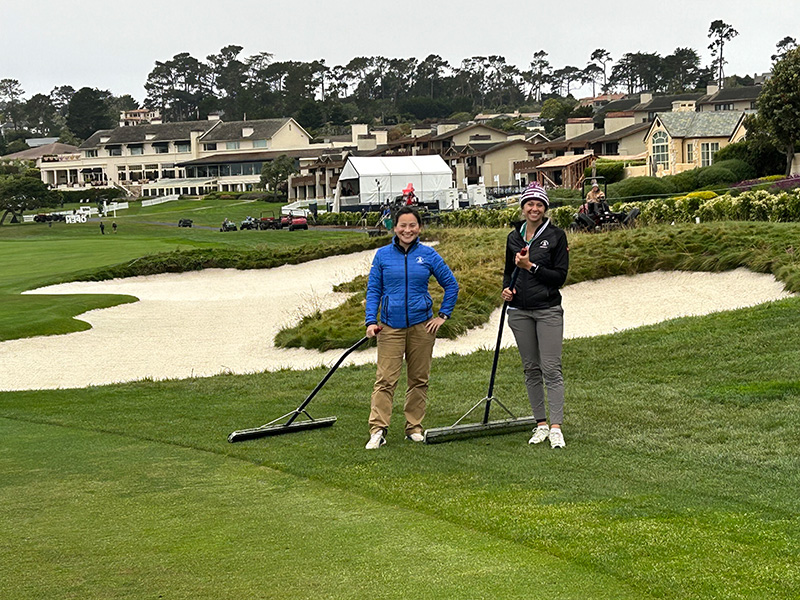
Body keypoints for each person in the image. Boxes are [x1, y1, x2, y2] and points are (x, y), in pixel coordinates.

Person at [364, 206, 459, 449]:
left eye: (412, 225)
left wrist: (443, 316)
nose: (408, 230)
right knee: (385, 380)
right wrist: (371, 321)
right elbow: (374, 290)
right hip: (389, 327)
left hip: (421, 327)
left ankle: (414, 427)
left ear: (419, 228)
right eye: (403, 225)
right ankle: (378, 429)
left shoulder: (428, 255)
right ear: (394, 228)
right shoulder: (382, 256)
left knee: (418, 379)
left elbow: (451, 285)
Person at [502, 182, 569, 448]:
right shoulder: (513, 237)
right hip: (519, 310)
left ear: (545, 208)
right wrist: (506, 289)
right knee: (531, 369)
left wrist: (531, 266)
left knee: (551, 368)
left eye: (539, 204)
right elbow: (508, 270)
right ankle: (540, 423)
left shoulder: (555, 236)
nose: (534, 208)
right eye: (530, 203)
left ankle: (556, 427)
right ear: (523, 207)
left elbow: (559, 277)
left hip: (547, 309)